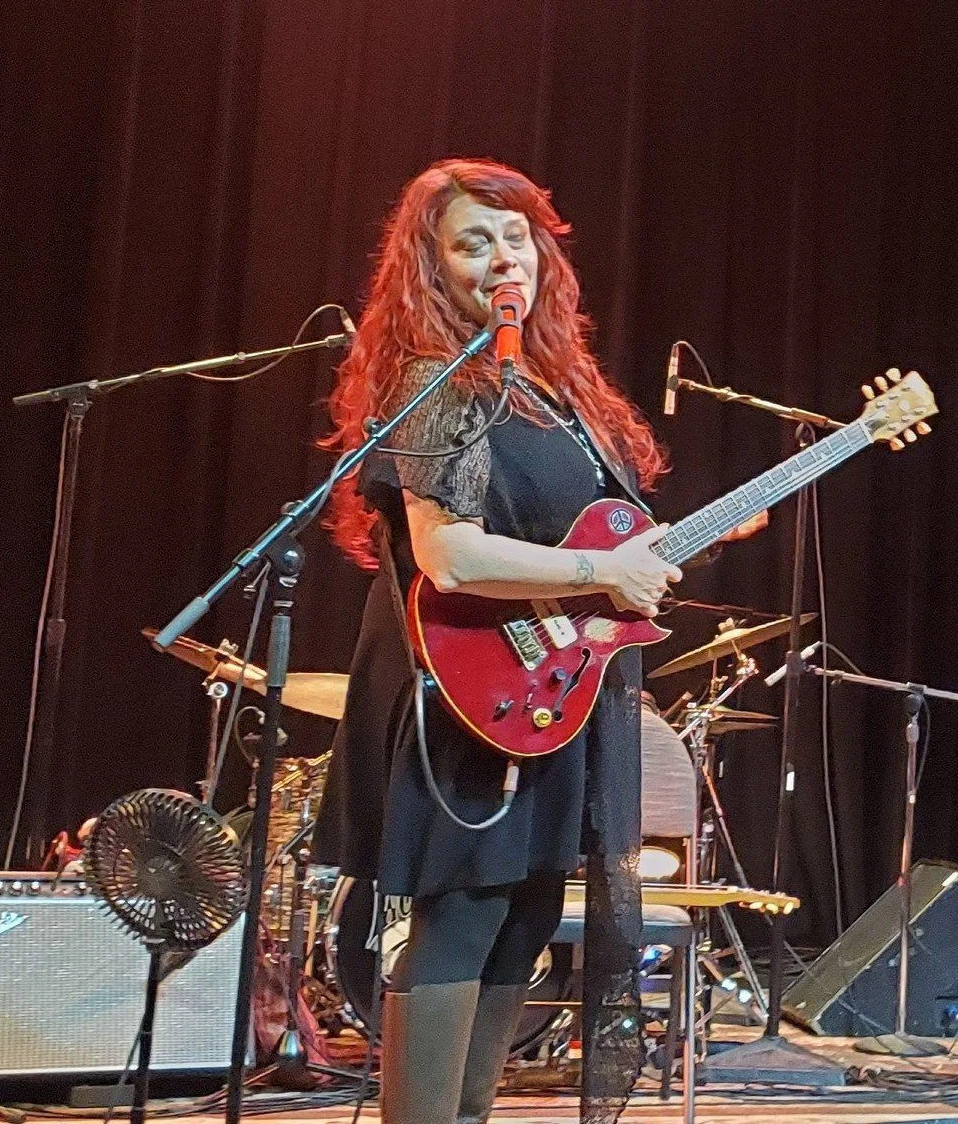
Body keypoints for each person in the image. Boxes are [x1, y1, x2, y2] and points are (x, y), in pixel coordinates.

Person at [312, 158, 765, 1124]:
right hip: (467, 687)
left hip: (560, 689)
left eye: (514, 235)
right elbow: (453, 555)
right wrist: (602, 573)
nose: (500, 255)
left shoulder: (559, 394)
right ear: (432, 268)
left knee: (521, 919)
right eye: (471, 242)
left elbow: (589, 549)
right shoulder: (435, 379)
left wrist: (677, 542)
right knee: (465, 912)